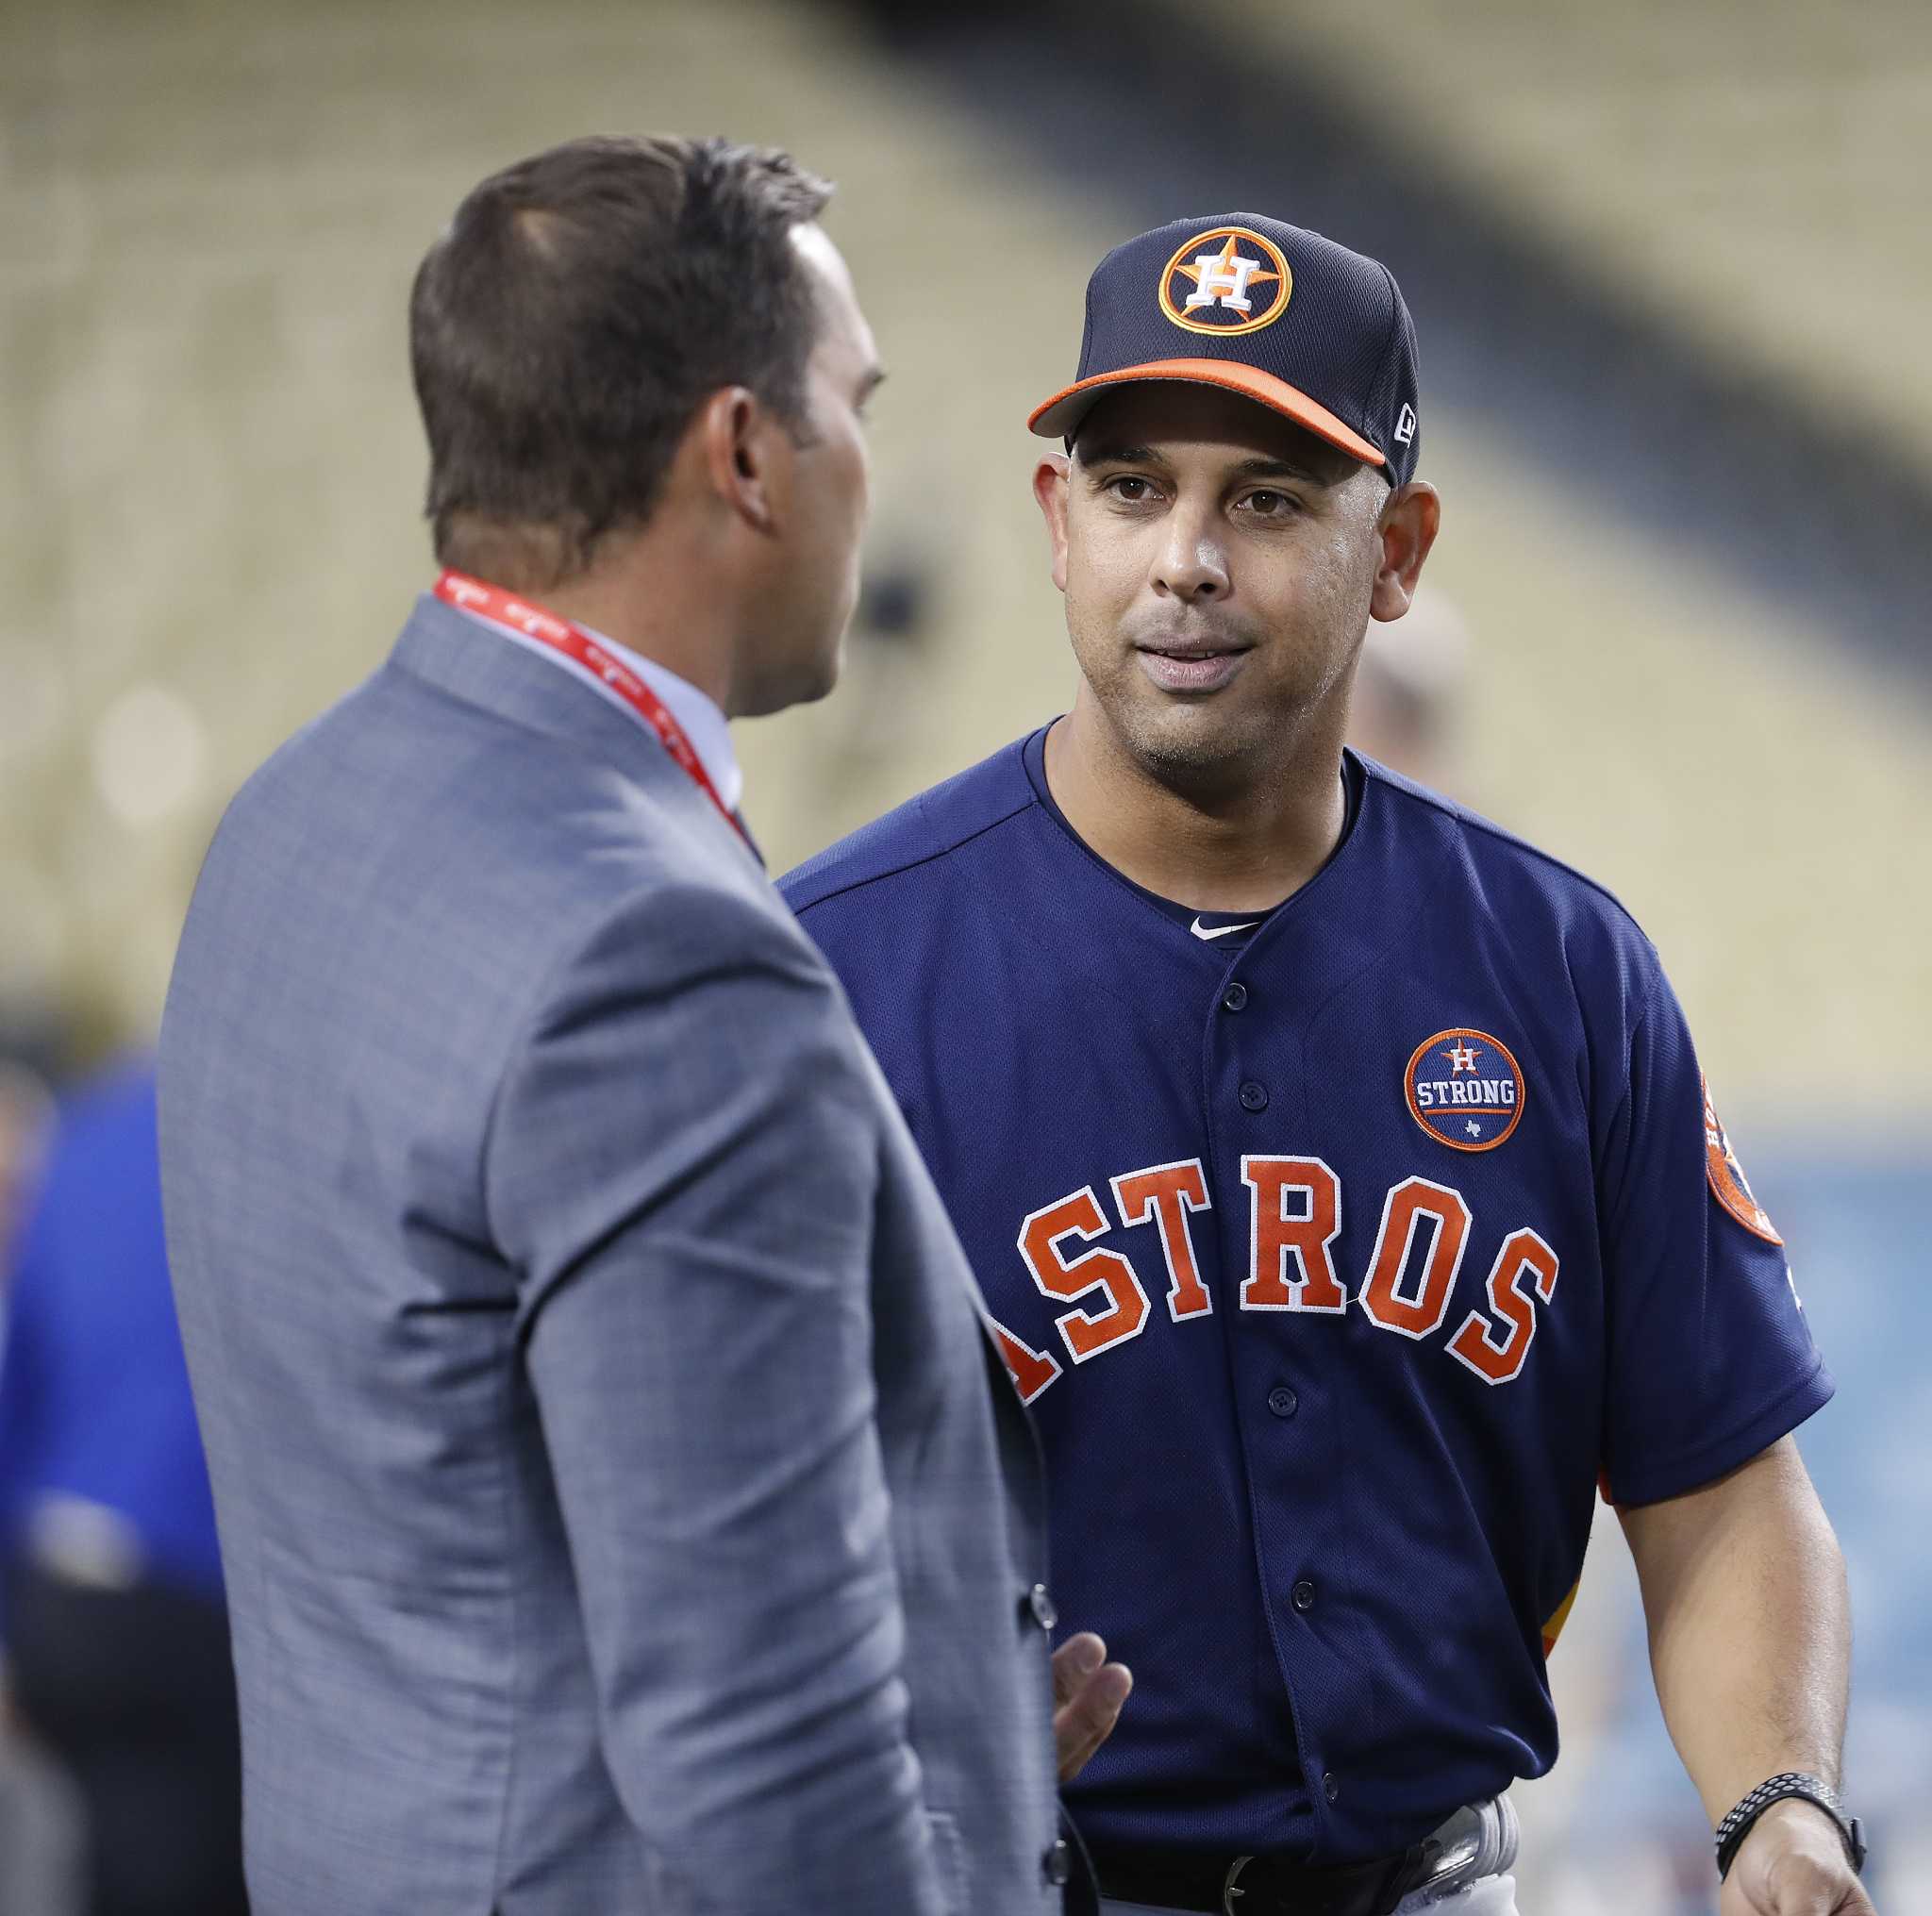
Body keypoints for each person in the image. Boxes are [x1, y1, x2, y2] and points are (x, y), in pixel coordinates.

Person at [780, 214, 1873, 1916]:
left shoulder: (1559, 968)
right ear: (1058, 526)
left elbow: (1718, 1482)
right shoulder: (832, 974)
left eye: (1268, 501)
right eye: (1133, 489)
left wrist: (1779, 1804)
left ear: (1400, 551)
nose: (1186, 561)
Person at [159, 135, 1124, 1916]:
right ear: (743, 455)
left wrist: (961, 1743)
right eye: (856, 403)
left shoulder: (295, 820)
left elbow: (473, 1517)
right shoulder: (656, 959)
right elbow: (757, 1765)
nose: (869, 461)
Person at [0, 1058, 244, 1916]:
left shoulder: (84, 1135)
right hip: (194, 1586)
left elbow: (17, 1390)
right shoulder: (257, 1134)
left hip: (62, 1581)